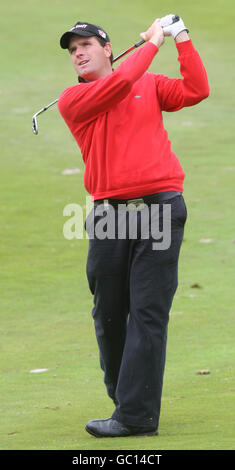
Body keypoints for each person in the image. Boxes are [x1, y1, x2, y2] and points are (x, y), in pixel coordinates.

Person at [58, 16, 209, 437]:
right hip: (110, 214)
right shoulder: (74, 99)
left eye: (87, 44)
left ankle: (136, 415)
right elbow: (120, 84)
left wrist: (181, 37)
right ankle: (125, 397)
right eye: (73, 50)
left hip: (160, 206)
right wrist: (153, 43)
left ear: (108, 49)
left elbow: (197, 90)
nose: (80, 53)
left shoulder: (150, 82)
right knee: (108, 313)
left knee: (147, 311)